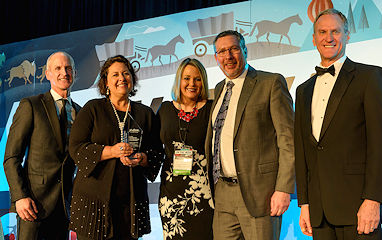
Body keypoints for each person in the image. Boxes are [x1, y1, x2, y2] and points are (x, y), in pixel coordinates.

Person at [294, 8, 382, 240]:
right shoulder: (303, 91)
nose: (328, 38)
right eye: (322, 32)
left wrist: (373, 200)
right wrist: (305, 203)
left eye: (335, 31)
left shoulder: (370, 77)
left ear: (347, 35)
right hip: (319, 212)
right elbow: (303, 151)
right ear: (314, 38)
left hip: (358, 208)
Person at [205, 30, 295, 239]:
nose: (228, 56)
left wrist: (283, 189)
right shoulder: (219, 89)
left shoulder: (270, 83)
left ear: (245, 50)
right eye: (221, 52)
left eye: (233, 49)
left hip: (260, 194)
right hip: (223, 193)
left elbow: (287, 140)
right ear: (216, 57)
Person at [67, 55, 163, 240]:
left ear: (132, 79)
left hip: (130, 204)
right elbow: (76, 148)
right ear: (106, 82)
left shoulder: (144, 114)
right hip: (94, 205)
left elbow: (157, 152)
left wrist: (142, 158)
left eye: (126, 73)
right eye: (115, 74)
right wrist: (111, 151)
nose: (122, 78)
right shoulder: (92, 109)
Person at [3, 51, 80, 239]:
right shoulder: (31, 105)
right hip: (32, 205)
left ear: (75, 74)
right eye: (58, 68)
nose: (64, 72)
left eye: (68, 68)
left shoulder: (80, 112)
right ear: (48, 74)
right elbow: (11, 157)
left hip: (64, 207)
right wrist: (20, 197)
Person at [157, 58, 214, 239]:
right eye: (187, 78)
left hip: (204, 195)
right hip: (171, 194)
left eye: (197, 79)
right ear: (179, 80)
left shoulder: (212, 109)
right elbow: (153, 146)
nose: (192, 84)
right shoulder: (165, 109)